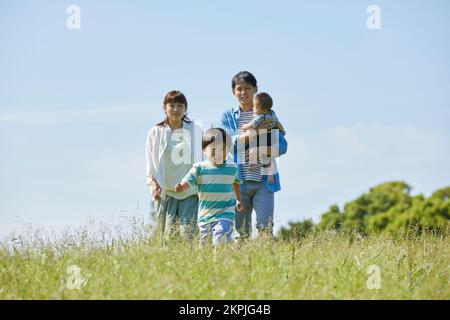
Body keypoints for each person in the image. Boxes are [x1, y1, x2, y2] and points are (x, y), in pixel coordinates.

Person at [219, 71, 288, 240]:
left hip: (264, 181)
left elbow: (282, 146)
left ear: (255, 89)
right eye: (239, 89)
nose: (243, 93)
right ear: (233, 92)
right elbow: (225, 144)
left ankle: (266, 265)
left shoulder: (268, 114)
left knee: (266, 229)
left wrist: (261, 151)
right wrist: (251, 134)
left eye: (248, 88)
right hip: (238, 182)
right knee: (241, 233)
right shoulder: (227, 117)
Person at [145, 90, 203, 241]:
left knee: (188, 235)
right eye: (172, 105)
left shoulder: (195, 129)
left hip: (189, 191)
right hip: (166, 191)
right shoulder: (155, 132)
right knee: (168, 237)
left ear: (185, 108)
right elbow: (150, 162)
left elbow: (201, 161)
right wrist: (154, 185)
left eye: (180, 105)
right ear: (165, 107)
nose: (176, 109)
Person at [175, 128, 244, 246]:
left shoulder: (232, 167)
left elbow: (236, 182)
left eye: (222, 149)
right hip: (205, 214)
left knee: (220, 234)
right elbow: (189, 180)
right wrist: (182, 186)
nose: (218, 153)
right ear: (204, 150)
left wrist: (238, 199)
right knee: (205, 245)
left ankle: (221, 259)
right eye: (213, 150)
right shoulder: (200, 168)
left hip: (225, 212)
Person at [241, 92, 286, 184]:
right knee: (268, 156)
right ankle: (270, 175)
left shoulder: (260, 117)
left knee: (249, 148)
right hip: (271, 138)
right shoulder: (272, 114)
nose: (253, 109)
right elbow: (278, 123)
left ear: (264, 110)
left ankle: (254, 164)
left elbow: (251, 126)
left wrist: (244, 126)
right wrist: (283, 131)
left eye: (255, 107)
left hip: (261, 137)